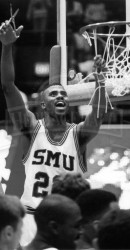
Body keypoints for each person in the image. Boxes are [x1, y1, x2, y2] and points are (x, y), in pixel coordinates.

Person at [0, 18, 106, 245]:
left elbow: (97, 116)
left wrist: (101, 84)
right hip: (32, 216)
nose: (60, 96)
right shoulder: (31, 127)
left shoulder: (77, 135)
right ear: (43, 105)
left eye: (63, 94)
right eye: (54, 94)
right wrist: (7, 46)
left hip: (67, 222)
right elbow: (8, 87)